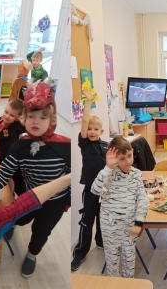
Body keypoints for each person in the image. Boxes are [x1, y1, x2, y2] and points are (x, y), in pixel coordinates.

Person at [0, 82, 70, 279]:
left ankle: (32, 255)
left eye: (42, 117)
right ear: (24, 118)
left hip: (55, 202)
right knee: (19, 217)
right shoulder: (21, 146)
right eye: (31, 117)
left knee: (41, 231)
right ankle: (12, 225)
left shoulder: (64, 146)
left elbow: (71, 178)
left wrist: (68, 201)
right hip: (29, 196)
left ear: (52, 119)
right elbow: (2, 175)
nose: (36, 122)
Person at [91, 136, 148, 278]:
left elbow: (143, 199)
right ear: (116, 159)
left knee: (129, 260)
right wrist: (108, 167)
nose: (128, 161)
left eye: (129, 156)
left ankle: (128, 284)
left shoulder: (136, 174)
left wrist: (139, 222)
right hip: (110, 227)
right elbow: (95, 190)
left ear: (132, 151)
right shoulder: (109, 174)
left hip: (129, 225)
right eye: (122, 158)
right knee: (112, 263)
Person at [71, 87, 108, 272]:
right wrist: (88, 101)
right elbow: (85, 120)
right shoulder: (85, 143)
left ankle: (100, 242)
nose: (92, 131)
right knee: (87, 221)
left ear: (101, 131)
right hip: (91, 190)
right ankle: (80, 254)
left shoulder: (106, 145)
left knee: (103, 217)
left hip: (105, 189)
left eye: (95, 129)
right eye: (89, 129)